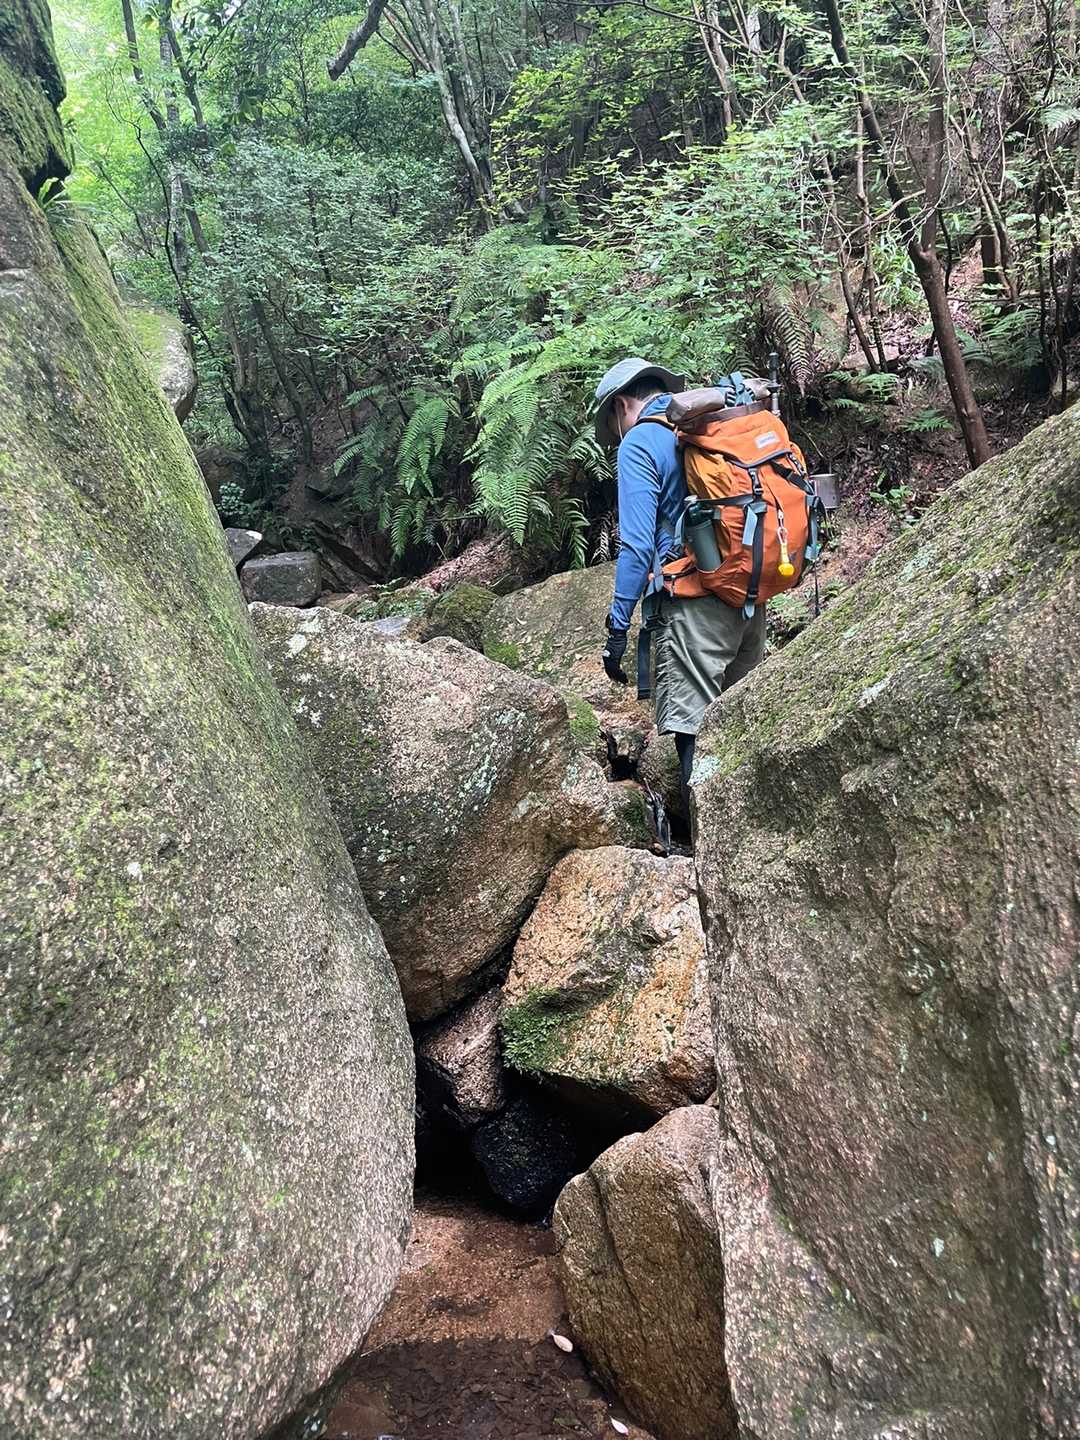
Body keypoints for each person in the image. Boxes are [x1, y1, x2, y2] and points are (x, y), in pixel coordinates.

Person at [593, 356, 767, 802]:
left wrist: (617, 629)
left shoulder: (639, 442)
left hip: (695, 608)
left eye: (613, 425)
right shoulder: (710, 422)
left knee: (698, 734)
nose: (617, 434)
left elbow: (635, 548)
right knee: (743, 728)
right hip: (748, 591)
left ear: (621, 405)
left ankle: (711, 844)